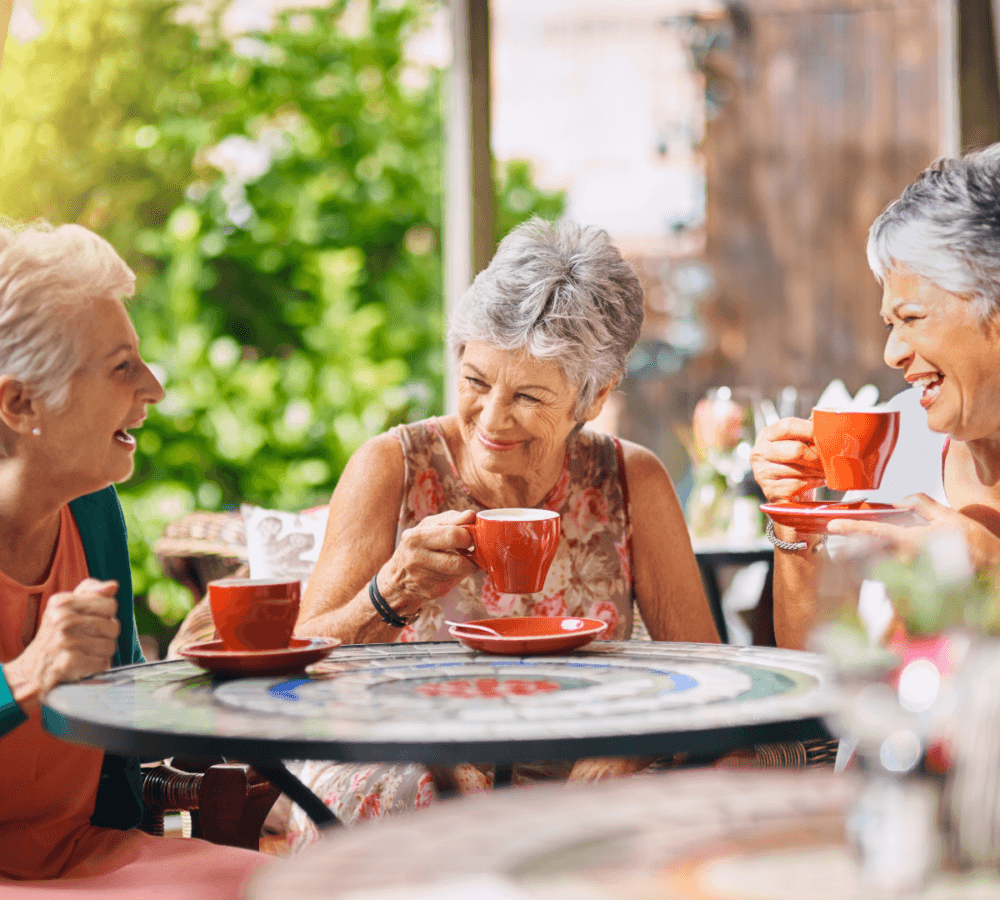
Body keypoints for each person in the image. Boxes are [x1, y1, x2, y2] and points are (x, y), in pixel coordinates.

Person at [286, 218, 719, 841]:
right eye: (475, 381)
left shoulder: (633, 481)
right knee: (445, 808)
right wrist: (392, 590)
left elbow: (706, 674)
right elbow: (293, 664)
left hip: (583, 773)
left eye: (530, 398)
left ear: (592, 399)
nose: (491, 418)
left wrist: (631, 746)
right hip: (399, 761)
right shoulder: (391, 467)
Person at [0, 223, 265, 897]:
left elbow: (121, 715)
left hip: (87, 856)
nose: (154, 388)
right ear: (20, 402)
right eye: (122, 366)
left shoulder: (91, 510)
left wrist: (209, 672)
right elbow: (33, 681)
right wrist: (23, 678)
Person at [751, 144, 1000, 649]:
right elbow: (818, 662)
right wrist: (796, 523)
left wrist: (990, 570)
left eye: (911, 318)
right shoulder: (898, 437)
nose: (892, 353)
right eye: (889, 324)